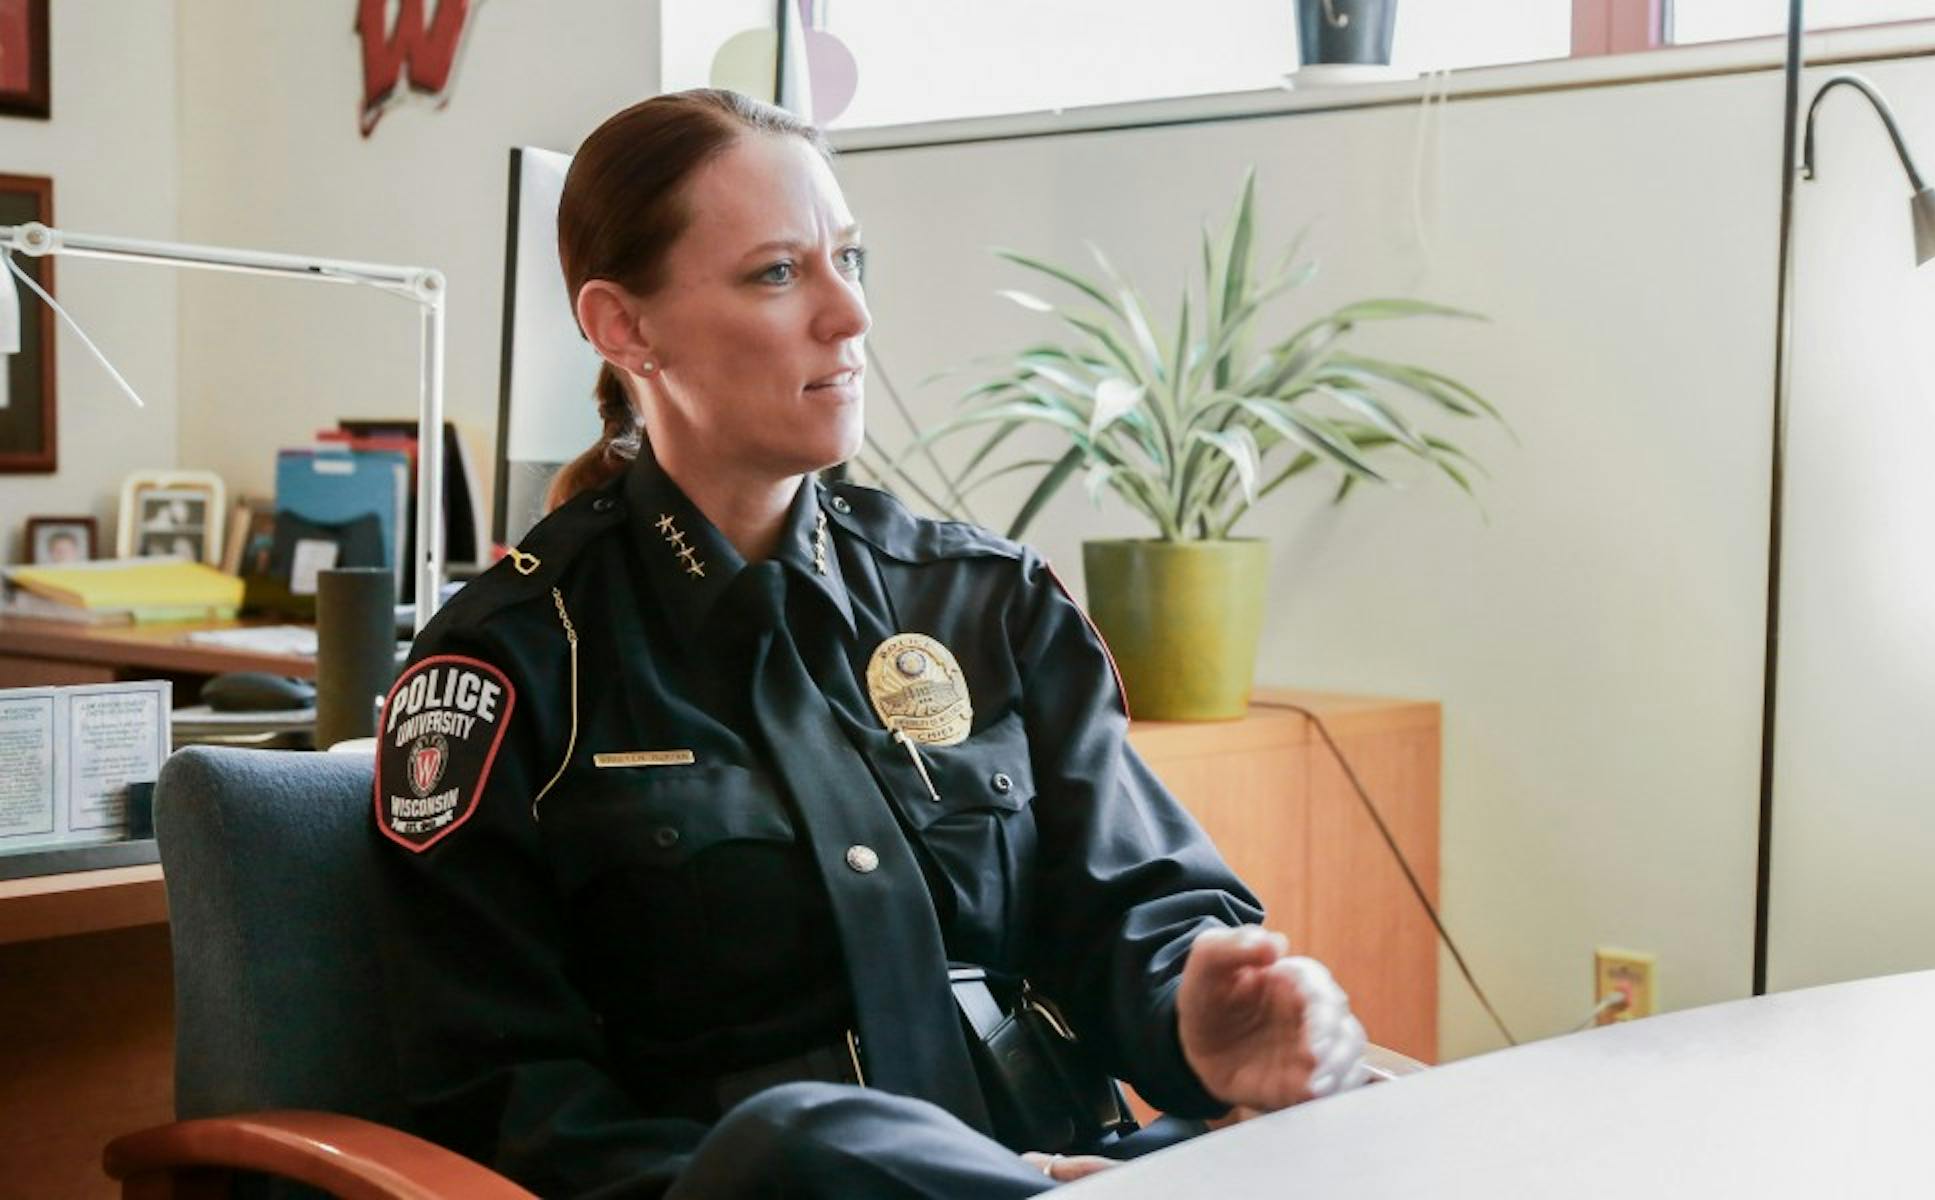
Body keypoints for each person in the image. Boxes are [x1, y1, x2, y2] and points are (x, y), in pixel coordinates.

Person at [370, 88, 1370, 1199]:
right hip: (763, 1188)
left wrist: (1197, 1010)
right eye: (777, 273)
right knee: (805, 1141)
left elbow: (1134, 906)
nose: (849, 316)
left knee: (1379, 1123)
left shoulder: (984, 599)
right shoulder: (510, 664)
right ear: (624, 328)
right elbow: (502, 1097)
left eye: (849, 258)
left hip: (1077, 1165)